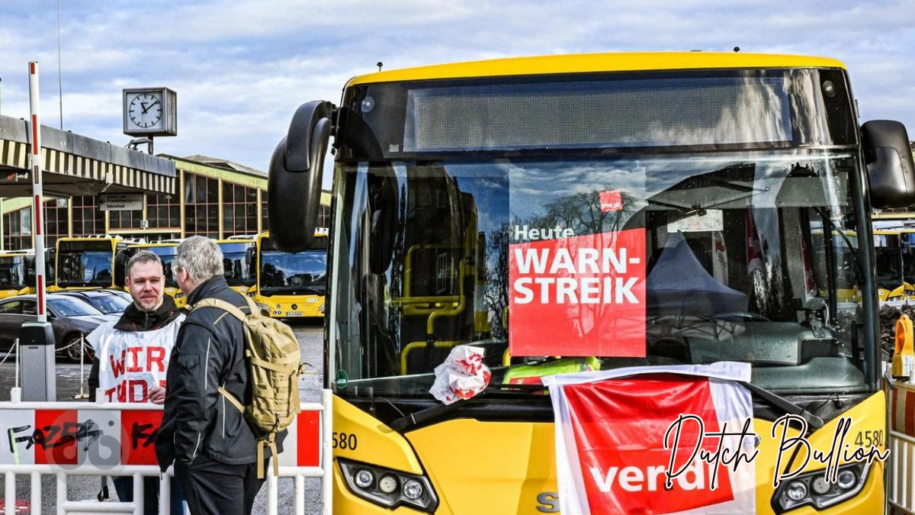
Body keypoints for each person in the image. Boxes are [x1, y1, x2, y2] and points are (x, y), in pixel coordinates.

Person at [156, 236, 281, 515]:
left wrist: (186, 454)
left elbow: (196, 395)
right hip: (255, 444)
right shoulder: (249, 306)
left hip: (216, 455)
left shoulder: (203, 320)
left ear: (183, 273)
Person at [87, 251, 186, 514]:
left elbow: (202, 383)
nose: (148, 288)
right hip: (123, 444)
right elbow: (95, 387)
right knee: (138, 511)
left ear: (165, 281)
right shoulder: (108, 334)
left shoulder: (185, 327)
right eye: (140, 281)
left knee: (175, 511)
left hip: (174, 443)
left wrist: (174, 394)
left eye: (154, 280)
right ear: (128, 284)